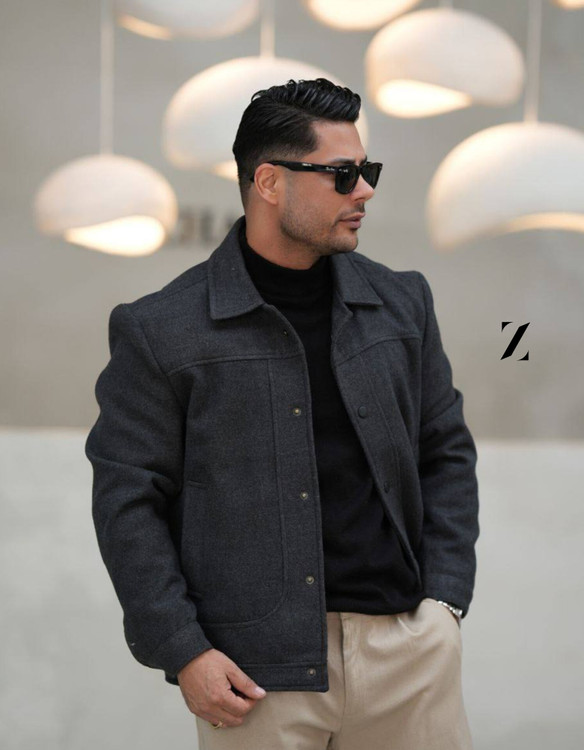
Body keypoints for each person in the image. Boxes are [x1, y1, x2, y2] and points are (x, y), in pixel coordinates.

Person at [85, 77, 479, 750]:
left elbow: (445, 453)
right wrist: (183, 650)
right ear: (269, 182)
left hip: (408, 655)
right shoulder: (162, 330)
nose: (365, 191)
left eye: (369, 171)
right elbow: (128, 502)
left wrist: (444, 602)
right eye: (343, 174)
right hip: (254, 677)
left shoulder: (402, 303)